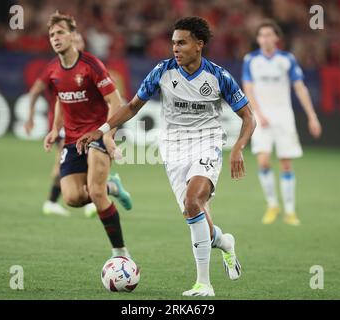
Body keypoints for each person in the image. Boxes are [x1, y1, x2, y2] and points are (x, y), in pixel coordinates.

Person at [76, 17, 256, 297]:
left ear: (199, 45)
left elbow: (248, 117)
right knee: (194, 215)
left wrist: (237, 147)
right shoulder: (163, 71)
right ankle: (225, 242)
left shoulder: (218, 76)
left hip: (207, 145)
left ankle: (203, 284)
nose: (175, 48)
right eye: (173, 43)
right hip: (173, 151)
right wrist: (101, 130)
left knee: (193, 201)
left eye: (182, 42)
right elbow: (134, 105)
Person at [42, 11, 132, 258]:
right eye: (52, 34)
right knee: (72, 198)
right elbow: (61, 98)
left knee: (95, 192)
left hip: (97, 134)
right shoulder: (53, 71)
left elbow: (116, 102)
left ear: (72, 36)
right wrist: (55, 129)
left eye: (60, 32)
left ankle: (120, 254)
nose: (56, 38)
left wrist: (107, 135)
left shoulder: (92, 66)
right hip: (72, 139)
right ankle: (113, 186)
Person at [24, 31, 128, 218]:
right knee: (61, 168)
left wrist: (108, 130)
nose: (77, 44)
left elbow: (112, 99)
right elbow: (55, 97)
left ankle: (93, 197)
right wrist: (51, 125)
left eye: (80, 41)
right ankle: (100, 192)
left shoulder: (92, 68)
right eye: (74, 40)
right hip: (69, 128)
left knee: (91, 166)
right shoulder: (55, 67)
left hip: (92, 128)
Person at [242, 20, 322, 226]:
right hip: (261, 117)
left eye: (269, 35)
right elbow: (248, 90)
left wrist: (312, 116)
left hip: (284, 116)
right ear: (258, 39)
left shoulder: (287, 59)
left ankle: (289, 210)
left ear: (277, 38)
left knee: (286, 164)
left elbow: (300, 88)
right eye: (262, 35)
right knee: (264, 161)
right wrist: (258, 114)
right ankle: (272, 204)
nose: (266, 38)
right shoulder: (250, 60)